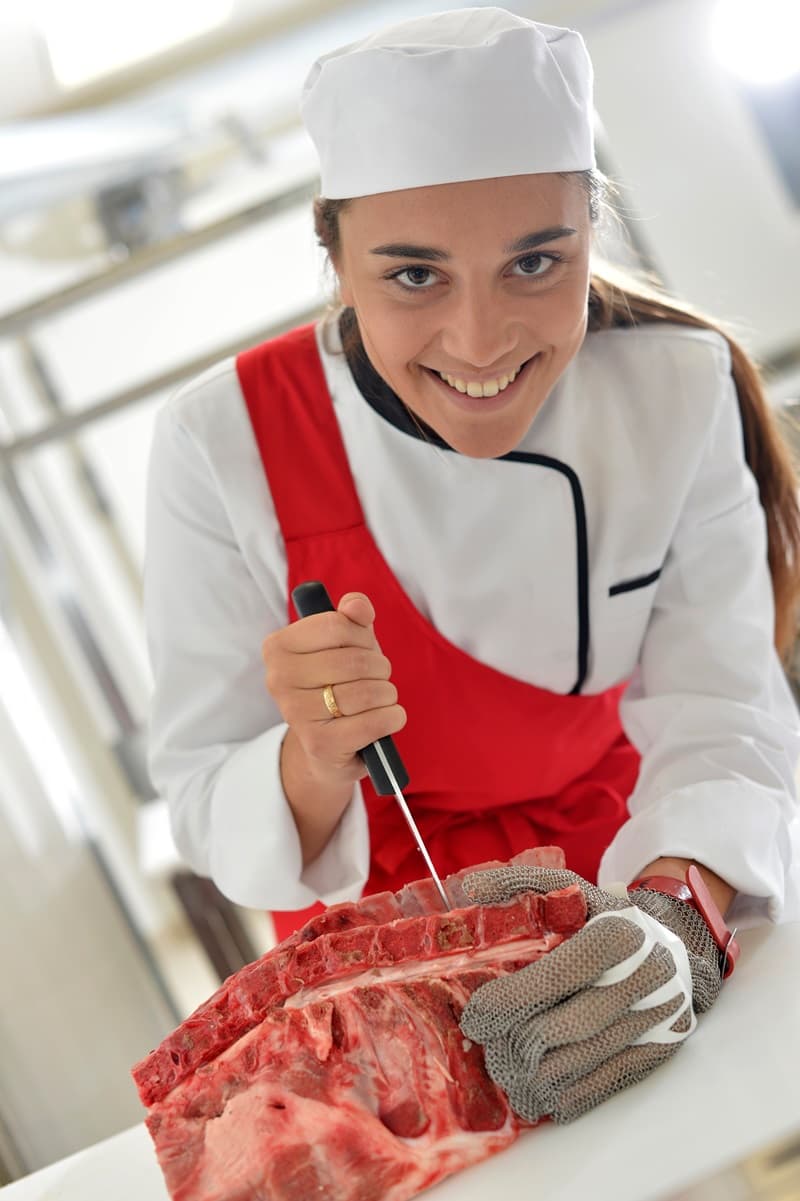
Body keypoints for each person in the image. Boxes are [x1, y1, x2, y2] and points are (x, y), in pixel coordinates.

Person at [144, 8, 800, 1121]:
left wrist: (677, 917)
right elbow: (205, 799)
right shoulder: (225, 443)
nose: (482, 339)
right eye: (412, 277)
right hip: (379, 954)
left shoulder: (673, 390)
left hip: (624, 891)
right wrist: (312, 754)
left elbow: (723, 711)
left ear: (593, 228)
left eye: (535, 261)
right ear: (335, 259)